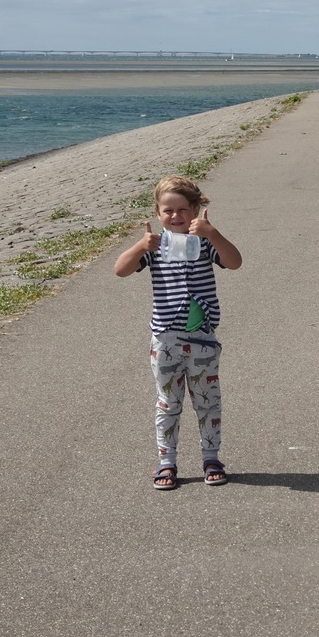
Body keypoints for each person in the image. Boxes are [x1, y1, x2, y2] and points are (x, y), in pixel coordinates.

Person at [114, 175, 243, 490]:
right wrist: (139, 246)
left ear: (196, 209)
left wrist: (214, 234)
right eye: (167, 211)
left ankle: (211, 457)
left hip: (202, 339)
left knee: (207, 400)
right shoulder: (154, 246)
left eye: (183, 209)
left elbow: (234, 262)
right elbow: (120, 269)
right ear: (158, 214)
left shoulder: (203, 243)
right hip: (166, 340)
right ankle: (167, 461)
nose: (175, 216)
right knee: (168, 402)